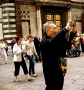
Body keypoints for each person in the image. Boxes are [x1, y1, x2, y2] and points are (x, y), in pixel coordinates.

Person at [40, 20, 77, 90]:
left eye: (57, 28)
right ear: (47, 31)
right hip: (51, 73)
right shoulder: (44, 42)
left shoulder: (57, 40)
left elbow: (66, 43)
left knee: (59, 87)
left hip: (59, 70)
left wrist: (73, 32)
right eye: (54, 28)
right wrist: (65, 29)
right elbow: (54, 41)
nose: (56, 30)